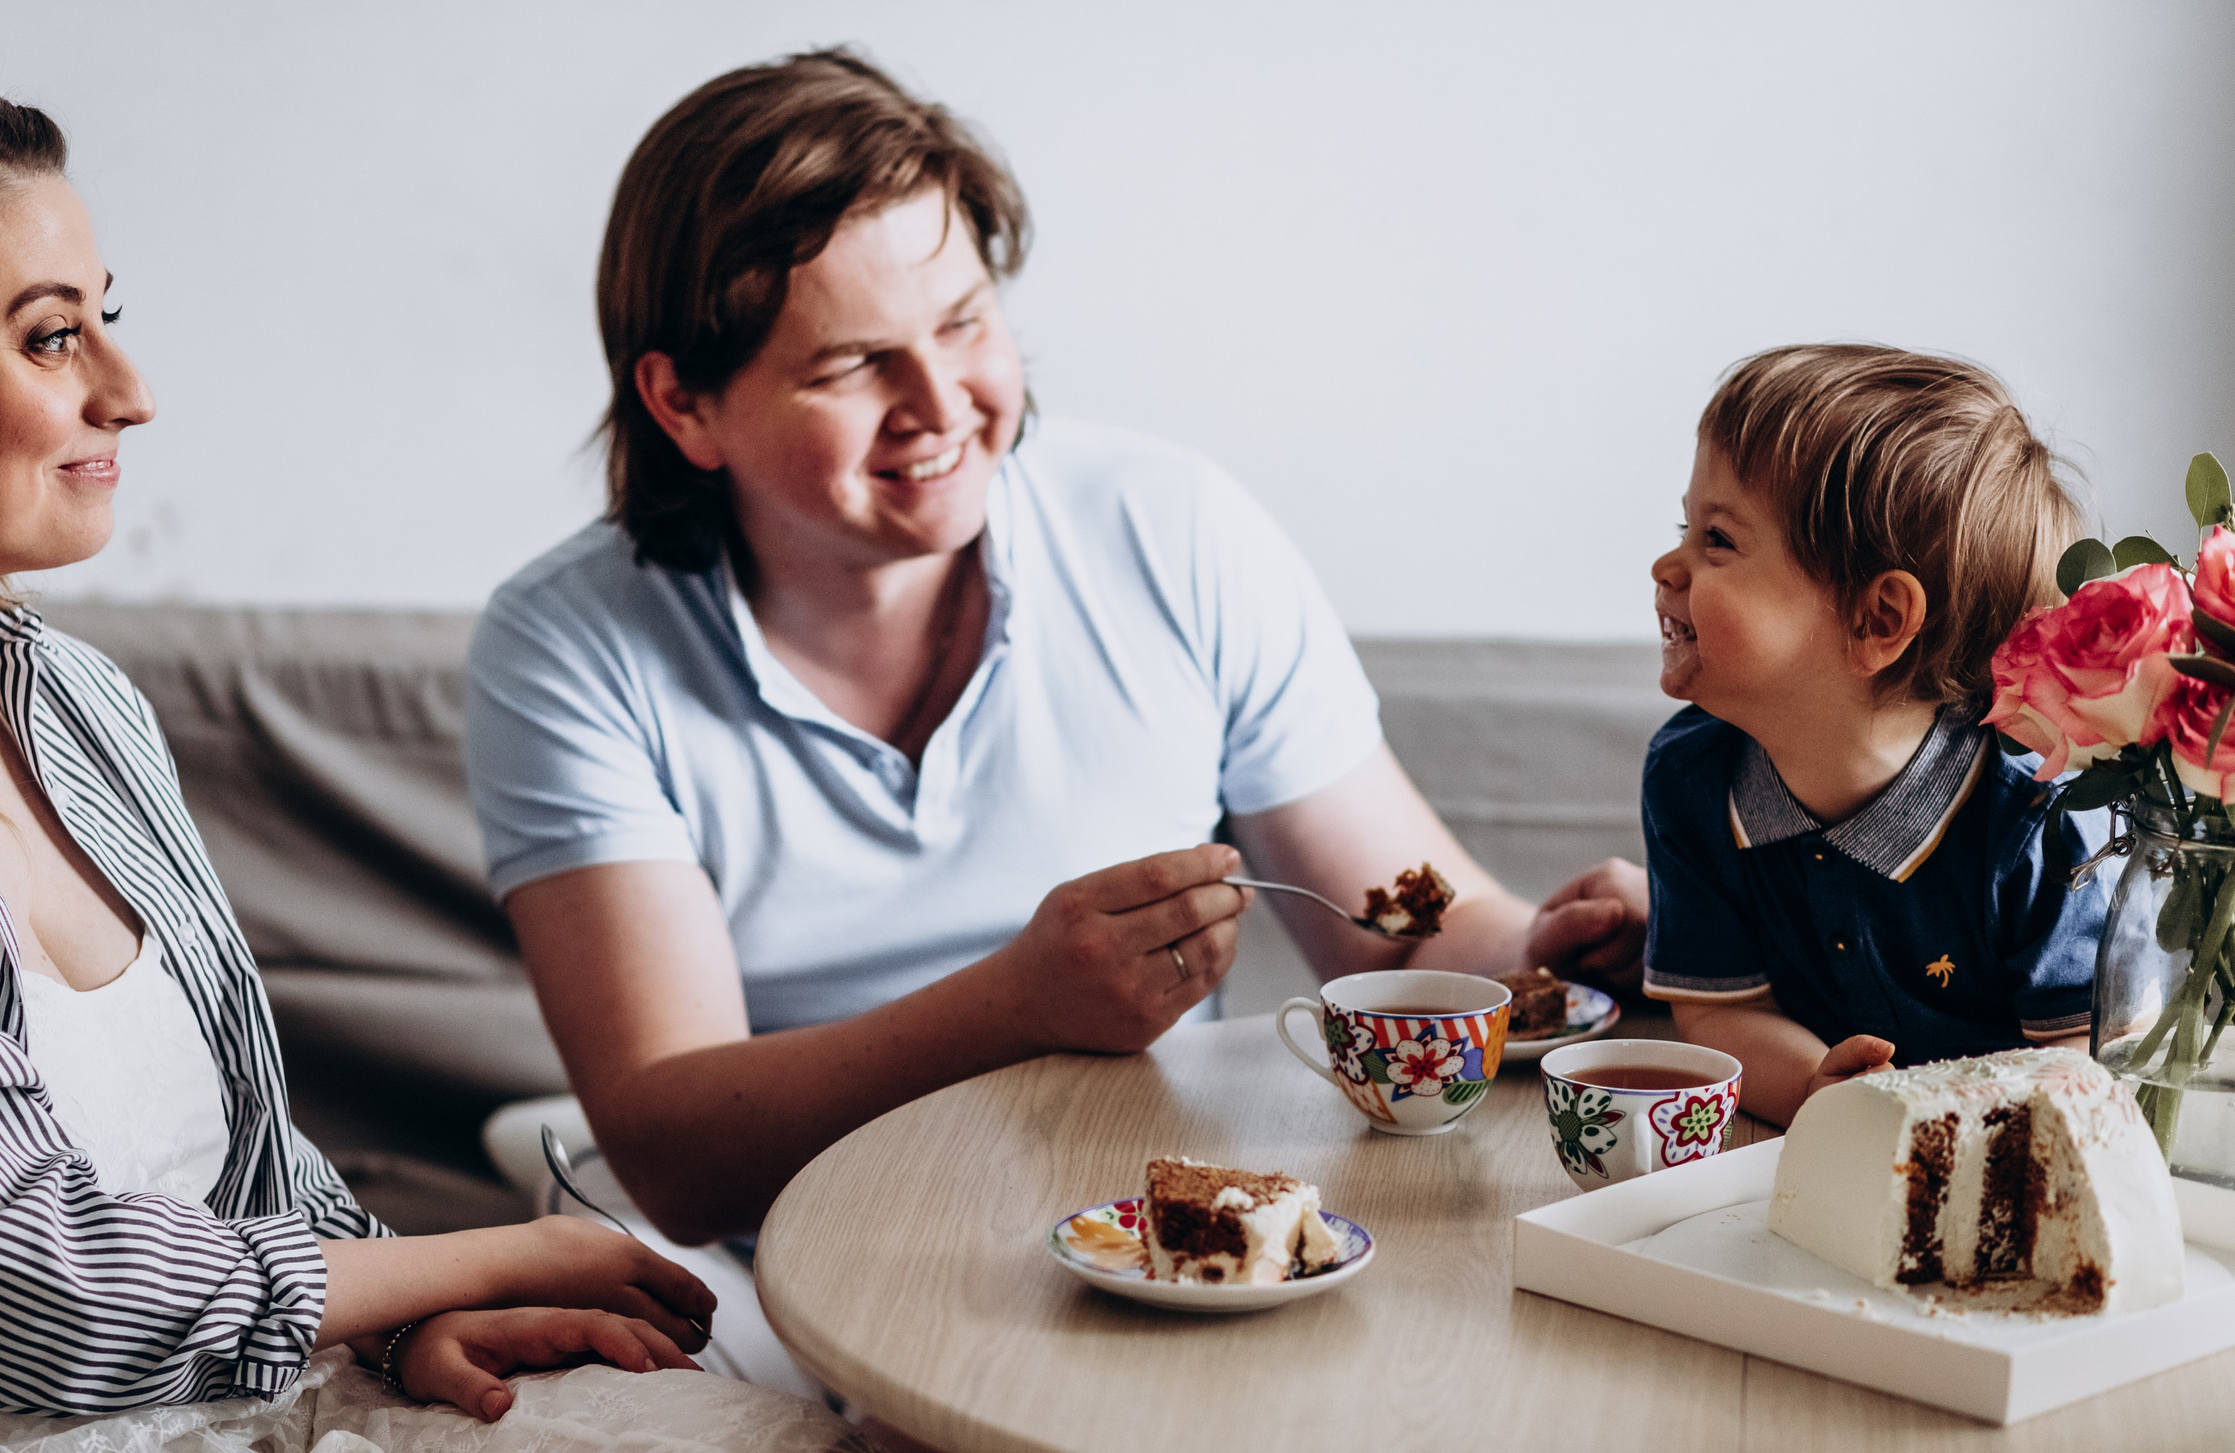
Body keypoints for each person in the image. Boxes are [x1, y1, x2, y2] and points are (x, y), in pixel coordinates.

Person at [0, 90, 969, 1453]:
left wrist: (389, 1321)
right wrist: (458, 1267)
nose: (132, 394)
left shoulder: (69, 700)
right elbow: (20, 1278)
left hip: (248, 1397)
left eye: (109, 325)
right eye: (53, 338)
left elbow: (236, 1146)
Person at [465, 49, 1649, 1254]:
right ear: (682, 406)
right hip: (799, 1250)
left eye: (963, 321)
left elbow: (1402, 923)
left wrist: (1547, 954)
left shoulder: (1171, 527)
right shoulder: (567, 648)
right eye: (851, 363)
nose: (943, 403)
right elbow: (675, 1159)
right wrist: (1017, 1004)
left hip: (1150, 1221)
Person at [1641, 344, 2105, 1125]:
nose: (1667, 564)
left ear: (1877, 620)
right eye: (1685, 527)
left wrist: (1917, 1123)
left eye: (1716, 540)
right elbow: (1720, 1016)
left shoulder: (2039, 827)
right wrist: (1819, 1093)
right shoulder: (1690, 777)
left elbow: (2077, 1074)